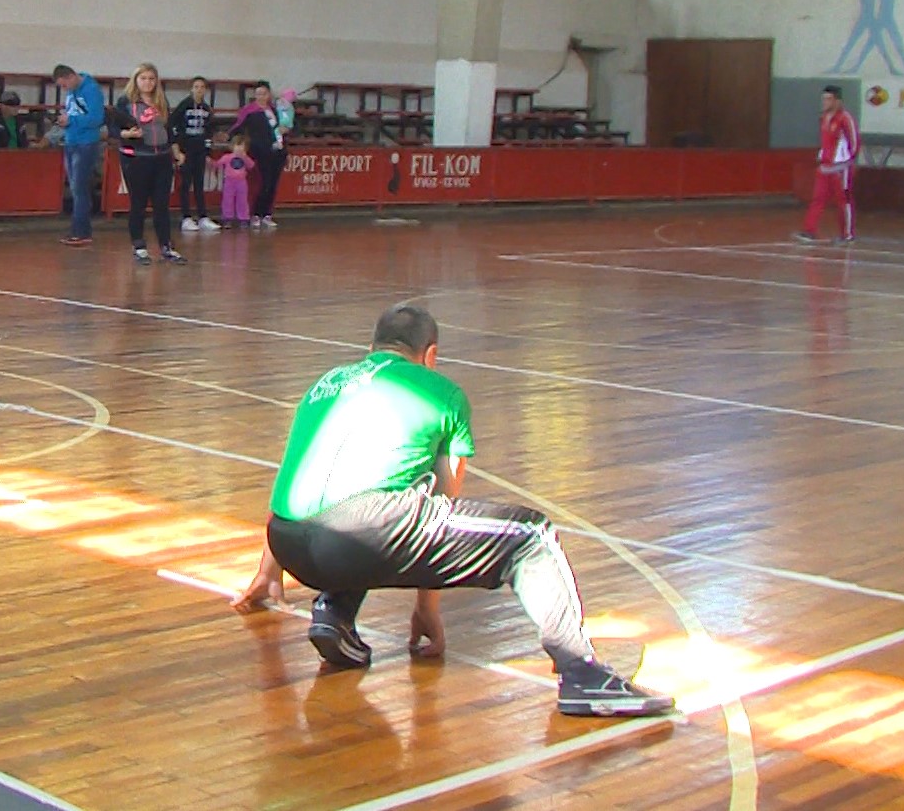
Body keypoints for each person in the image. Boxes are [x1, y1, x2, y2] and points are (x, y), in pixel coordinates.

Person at [233, 303, 675, 719]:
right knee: (530, 536)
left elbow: (297, 471)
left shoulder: (326, 383)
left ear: (372, 349)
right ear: (430, 355)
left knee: (375, 503)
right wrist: (428, 606)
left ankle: (335, 614)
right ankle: (583, 674)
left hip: (288, 542)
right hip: (359, 535)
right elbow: (442, 506)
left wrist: (269, 570)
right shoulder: (444, 392)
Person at [113, 63, 186, 265]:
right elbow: (113, 128)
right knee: (138, 203)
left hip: (161, 157)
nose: (148, 82)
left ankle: (166, 246)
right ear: (136, 80)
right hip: (136, 158)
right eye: (143, 78)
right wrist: (126, 134)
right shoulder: (125, 102)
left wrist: (176, 150)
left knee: (162, 204)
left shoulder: (161, 101)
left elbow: (169, 129)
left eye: (151, 78)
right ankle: (139, 246)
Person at [795, 86, 859, 244]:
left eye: (828, 99)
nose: (824, 102)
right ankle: (809, 230)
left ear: (838, 101)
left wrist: (846, 160)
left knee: (843, 200)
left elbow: (855, 142)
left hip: (840, 168)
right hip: (825, 166)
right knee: (817, 199)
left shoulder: (845, 118)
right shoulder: (823, 118)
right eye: (823, 99)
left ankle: (847, 234)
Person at [52, 64, 105, 247]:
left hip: (86, 143)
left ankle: (81, 232)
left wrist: (71, 120)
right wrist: (65, 120)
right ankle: (80, 230)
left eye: (64, 85)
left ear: (71, 77)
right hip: (71, 141)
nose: (64, 89)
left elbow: (97, 118)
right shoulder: (72, 92)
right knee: (76, 189)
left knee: (79, 188)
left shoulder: (91, 90)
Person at [230, 81, 284, 228]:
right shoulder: (249, 111)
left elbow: (283, 129)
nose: (261, 97)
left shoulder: (275, 111)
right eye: (258, 94)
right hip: (260, 152)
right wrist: (236, 142)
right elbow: (237, 127)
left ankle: (267, 214)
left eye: (264, 94)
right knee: (264, 183)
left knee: (273, 184)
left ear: (269, 95)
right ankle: (255, 213)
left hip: (277, 152)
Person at [171, 76, 217, 231]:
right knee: (185, 183)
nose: (199, 90)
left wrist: (207, 150)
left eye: (202, 87)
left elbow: (209, 131)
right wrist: (177, 148)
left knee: (199, 183)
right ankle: (186, 217)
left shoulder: (206, 108)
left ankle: (203, 216)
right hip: (186, 149)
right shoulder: (184, 105)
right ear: (191, 89)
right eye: (196, 87)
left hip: (200, 149)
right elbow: (172, 124)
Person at [216, 135, 254, 228]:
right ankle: (227, 218)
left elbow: (251, 165)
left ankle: (244, 218)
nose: (239, 148)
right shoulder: (227, 157)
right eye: (237, 145)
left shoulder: (244, 157)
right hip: (229, 182)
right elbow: (218, 163)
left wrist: (245, 157)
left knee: (242, 200)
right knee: (227, 200)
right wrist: (210, 162)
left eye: (242, 146)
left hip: (241, 182)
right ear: (232, 146)